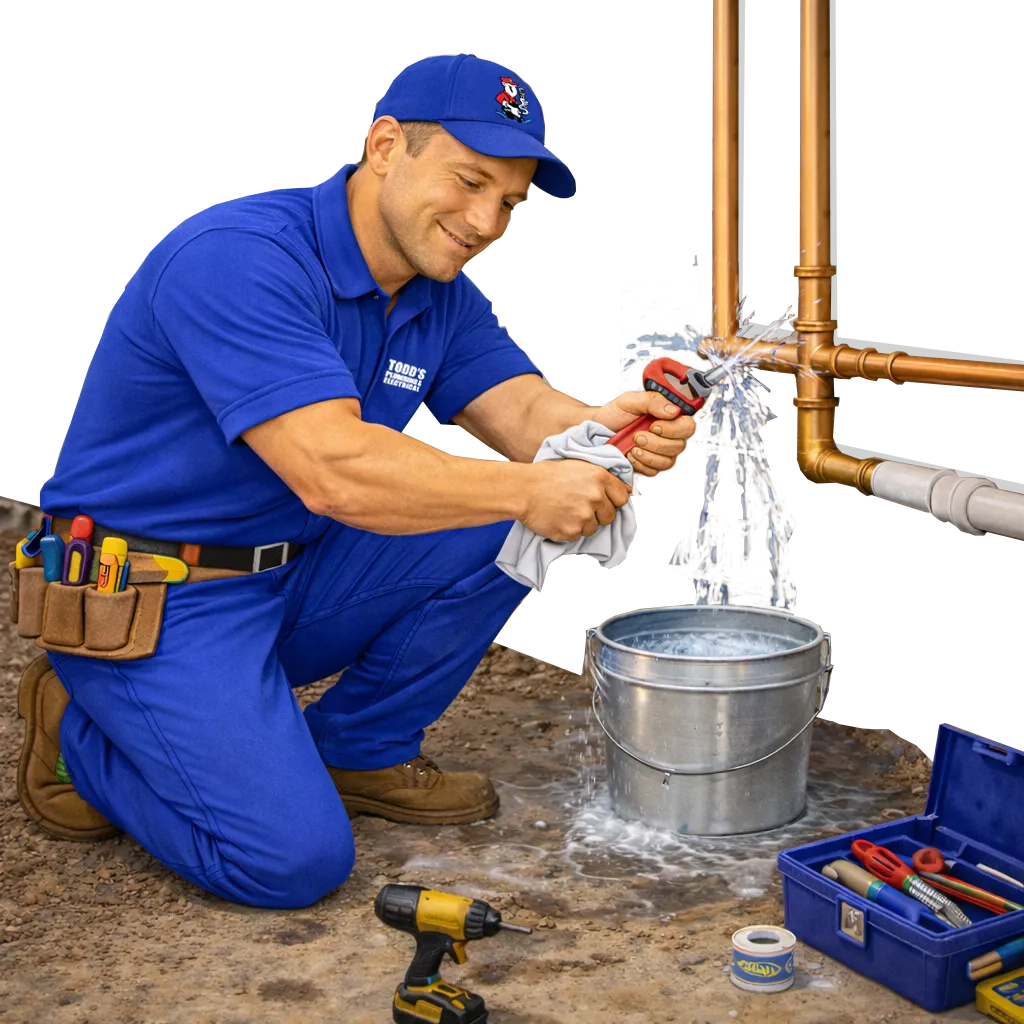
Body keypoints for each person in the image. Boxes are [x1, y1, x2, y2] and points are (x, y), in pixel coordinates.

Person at [16, 53, 694, 909]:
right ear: (384, 147)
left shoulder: (434, 289)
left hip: (289, 570)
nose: (487, 221)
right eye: (469, 181)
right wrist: (533, 487)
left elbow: (521, 413)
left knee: (520, 521)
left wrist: (609, 432)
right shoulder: (238, 258)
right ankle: (88, 730)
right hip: (156, 596)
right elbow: (335, 470)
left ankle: (359, 749)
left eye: (510, 204)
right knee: (290, 865)